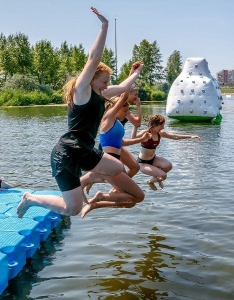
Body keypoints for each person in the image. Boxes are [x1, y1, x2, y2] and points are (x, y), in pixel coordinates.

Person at [17, 7, 145, 219]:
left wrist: (135, 74)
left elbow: (123, 87)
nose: (106, 85)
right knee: (73, 209)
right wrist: (104, 26)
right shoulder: (82, 91)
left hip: (84, 150)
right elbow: (94, 58)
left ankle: (87, 180)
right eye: (104, 80)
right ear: (91, 78)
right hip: (66, 154)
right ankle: (31, 199)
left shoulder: (100, 93)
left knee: (116, 166)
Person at [80, 85, 152, 217]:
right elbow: (124, 96)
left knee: (130, 202)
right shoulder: (108, 119)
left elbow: (121, 142)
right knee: (139, 196)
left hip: (115, 165)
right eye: (125, 111)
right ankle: (98, 192)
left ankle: (97, 201)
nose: (126, 114)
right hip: (109, 166)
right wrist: (132, 75)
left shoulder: (117, 123)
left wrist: (141, 138)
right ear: (116, 108)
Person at [135, 114, 201, 191]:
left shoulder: (160, 133)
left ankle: (154, 180)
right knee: (163, 175)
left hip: (153, 159)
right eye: (161, 126)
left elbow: (174, 136)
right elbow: (133, 138)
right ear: (155, 125)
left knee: (168, 166)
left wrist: (190, 136)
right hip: (143, 163)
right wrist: (135, 127)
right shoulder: (145, 133)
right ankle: (151, 182)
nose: (163, 128)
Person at [119, 83, 142, 178]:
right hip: (112, 143)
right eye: (135, 94)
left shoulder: (125, 107)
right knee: (121, 174)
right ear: (127, 93)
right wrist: (138, 106)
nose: (136, 97)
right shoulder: (121, 106)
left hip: (118, 143)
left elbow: (137, 124)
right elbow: (137, 123)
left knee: (135, 167)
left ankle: (118, 189)